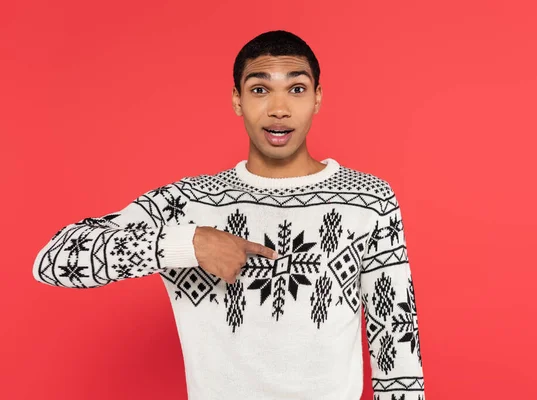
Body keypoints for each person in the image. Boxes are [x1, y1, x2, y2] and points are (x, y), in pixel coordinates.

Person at [33, 30, 426, 400]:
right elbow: (54, 261)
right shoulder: (188, 203)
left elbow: (395, 337)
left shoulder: (368, 201)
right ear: (237, 99)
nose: (278, 108)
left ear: (318, 97)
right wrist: (188, 243)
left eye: (296, 88)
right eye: (260, 90)